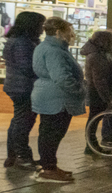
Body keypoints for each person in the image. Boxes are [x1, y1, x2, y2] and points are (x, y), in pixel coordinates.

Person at [31, 17, 86, 183]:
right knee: (52, 133)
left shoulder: (50, 47)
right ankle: (48, 168)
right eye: (68, 31)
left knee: (50, 133)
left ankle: (50, 166)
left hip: (51, 96)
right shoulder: (54, 51)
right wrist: (80, 90)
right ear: (57, 32)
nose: (71, 34)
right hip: (56, 99)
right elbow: (62, 77)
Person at [1, 11, 45, 169]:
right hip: (23, 87)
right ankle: (22, 156)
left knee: (19, 121)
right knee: (23, 121)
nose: (43, 28)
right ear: (31, 25)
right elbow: (27, 66)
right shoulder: (22, 42)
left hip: (18, 86)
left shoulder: (22, 40)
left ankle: (13, 156)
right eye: (41, 25)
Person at [80, 29, 112, 150]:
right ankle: (91, 146)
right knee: (94, 119)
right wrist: (108, 99)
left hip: (102, 92)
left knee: (95, 118)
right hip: (98, 93)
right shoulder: (97, 57)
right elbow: (100, 80)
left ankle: (91, 145)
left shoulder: (102, 55)